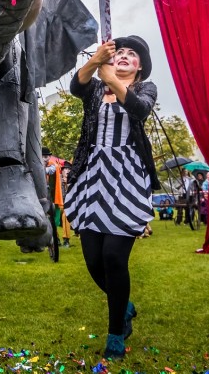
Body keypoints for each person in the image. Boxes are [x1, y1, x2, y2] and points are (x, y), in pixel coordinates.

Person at [64, 36, 158, 360]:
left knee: (115, 258)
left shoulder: (146, 89)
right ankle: (125, 305)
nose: (125, 57)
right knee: (94, 261)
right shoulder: (94, 89)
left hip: (127, 177)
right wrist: (95, 62)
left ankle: (115, 333)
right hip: (92, 175)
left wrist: (113, 80)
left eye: (132, 55)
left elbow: (139, 109)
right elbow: (77, 87)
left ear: (140, 66)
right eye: (120, 53)